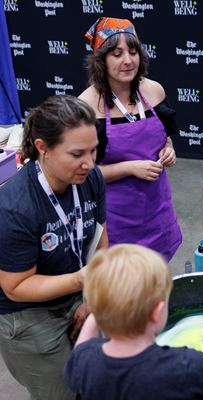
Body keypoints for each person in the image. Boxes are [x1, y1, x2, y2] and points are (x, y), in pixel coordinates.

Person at [0, 95, 108, 400]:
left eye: (93, 150)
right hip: (28, 313)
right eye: (76, 154)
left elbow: (100, 240)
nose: (89, 162)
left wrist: (90, 300)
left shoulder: (90, 179)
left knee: (93, 377)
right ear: (42, 148)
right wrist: (80, 280)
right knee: (61, 392)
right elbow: (16, 286)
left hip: (76, 291)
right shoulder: (15, 207)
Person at [64, 244, 203, 399]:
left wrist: (98, 310)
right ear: (157, 312)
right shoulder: (179, 366)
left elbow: (83, 345)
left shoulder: (85, 362)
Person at [79, 17, 182, 261]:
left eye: (133, 51)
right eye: (117, 54)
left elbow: (164, 137)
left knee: (155, 287)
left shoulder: (154, 91)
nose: (128, 60)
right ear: (101, 60)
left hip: (157, 212)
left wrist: (169, 149)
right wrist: (130, 168)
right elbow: (83, 173)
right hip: (115, 221)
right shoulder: (86, 107)